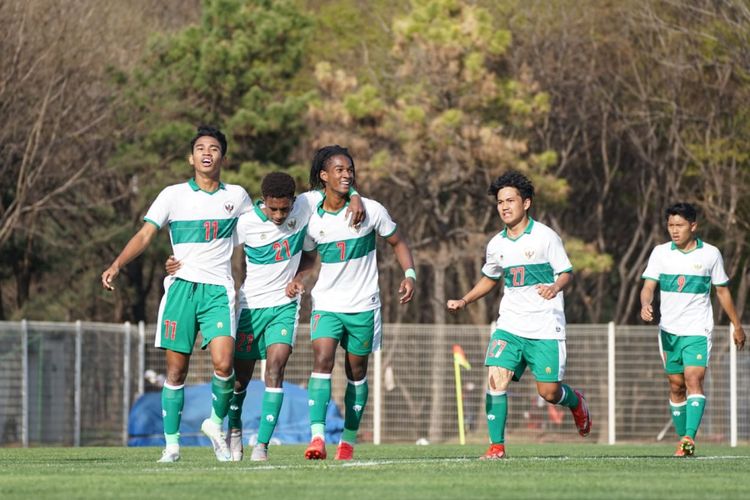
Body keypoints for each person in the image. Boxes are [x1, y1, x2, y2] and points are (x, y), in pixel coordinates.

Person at [166, 172, 364, 461]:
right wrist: (175, 260)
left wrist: (300, 277)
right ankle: (234, 429)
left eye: (285, 208)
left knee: (276, 369)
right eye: (273, 208)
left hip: (284, 307)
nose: (279, 215)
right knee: (238, 381)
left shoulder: (306, 207)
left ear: (293, 202)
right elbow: (210, 247)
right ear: (264, 202)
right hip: (250, 308)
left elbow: (336, 187)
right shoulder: (245, 222)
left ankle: (261, 446)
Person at [101, 125, 252, 463]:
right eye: (200, 148)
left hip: (218, 290)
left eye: (213, 147)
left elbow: (259, 232)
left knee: (225, 363)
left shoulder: (238, 196)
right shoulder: (172, 195)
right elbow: (145, 235)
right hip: (181, 289)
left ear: (223, 157)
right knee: (175, 372)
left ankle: (215, 424)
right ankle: (171, 447)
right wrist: (117, 265)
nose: (207, 152)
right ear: (191, 157)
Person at [446, 171, 591, 460]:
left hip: (545, 326)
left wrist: (554, 287)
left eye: (510, 200)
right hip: (510, 324)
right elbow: (490, 278)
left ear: (526, 203)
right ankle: (496, 446)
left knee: (548, 393)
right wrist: (465, 300)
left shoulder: (545, 237)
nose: (504, 207)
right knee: (495, 379)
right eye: (500, 202)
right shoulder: (496, 244)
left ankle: (576, 402)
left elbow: (566, 272)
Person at [301, 145, 416, 460]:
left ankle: (347, 443)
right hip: (326, 304)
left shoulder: (372, 210)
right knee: (322, 360)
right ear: (323, 176)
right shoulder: (313, 219)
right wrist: (301, 277)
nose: (346, 174)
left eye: (349, 169)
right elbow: (310, 255)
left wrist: (410, 275)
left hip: (364, 306)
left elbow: (398, 241)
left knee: (356, 372)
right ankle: (317, 438)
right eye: (339, 169)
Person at [640, 202, 746, 457]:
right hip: (668, 331)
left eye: (680, 225)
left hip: (698, 330)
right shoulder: (660, 253)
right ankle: (683, 441)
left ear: (693, 226)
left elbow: (722, 291)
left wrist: (737, 325)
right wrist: (645, 303)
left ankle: (688, 438)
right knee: (676, 386)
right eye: (670, 225)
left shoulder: (710, 254)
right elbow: (648, 286)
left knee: (693, 380)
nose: (674, 231)